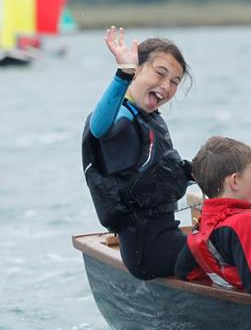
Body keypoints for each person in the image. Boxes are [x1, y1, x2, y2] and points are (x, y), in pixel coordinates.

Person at [82, 26, 193, 280]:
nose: (166, 85)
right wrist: (123, 73)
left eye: (175, 81)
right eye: (160, 73)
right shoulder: (121, 118)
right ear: (137, 70)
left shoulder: (149, 119)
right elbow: (100, 127)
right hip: (148, 253)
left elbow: (161, 175)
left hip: (164, 238)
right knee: (228, 246)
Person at [175, 136, 251, 295]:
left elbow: (183, 271)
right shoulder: (244, 223)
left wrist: (227, 277)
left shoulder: (204, 224)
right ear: (235, 181)